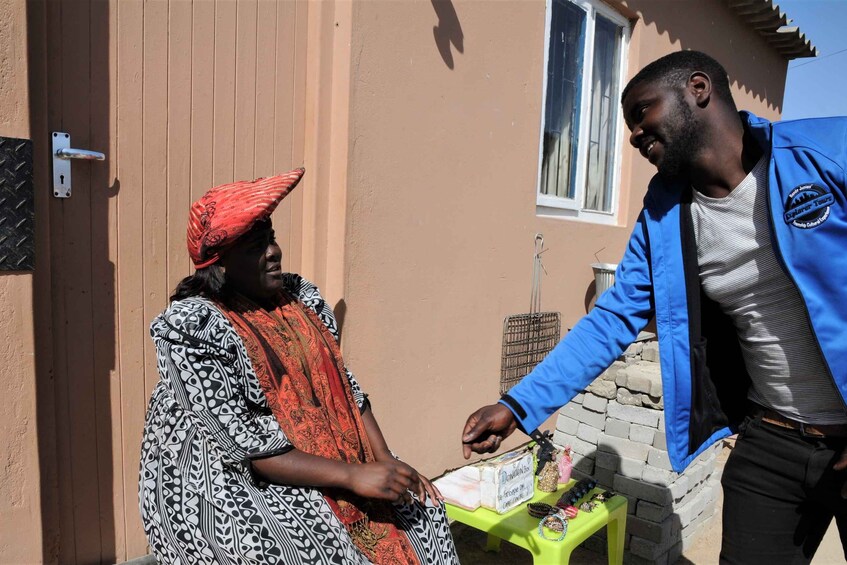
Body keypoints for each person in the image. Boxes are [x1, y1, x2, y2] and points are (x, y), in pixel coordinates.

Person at [461, 50, 847, 563]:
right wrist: (517, 405)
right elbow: (612, 319)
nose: (633, 134)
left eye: (642, 112)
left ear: (698, 88)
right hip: (771, 441)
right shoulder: (664, 213)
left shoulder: (823, 153)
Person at [139, 169, 458, 564]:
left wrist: (384, 458)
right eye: (256, 245)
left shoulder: (299, 299)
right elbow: (248, 446)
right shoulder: (192, 329)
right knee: (310, 550)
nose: (273, 251)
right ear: (219, 265)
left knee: (423, 516)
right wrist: (352, 476)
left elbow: (345, 385)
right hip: (235, 479)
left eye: (270, 237)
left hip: (322, 456)